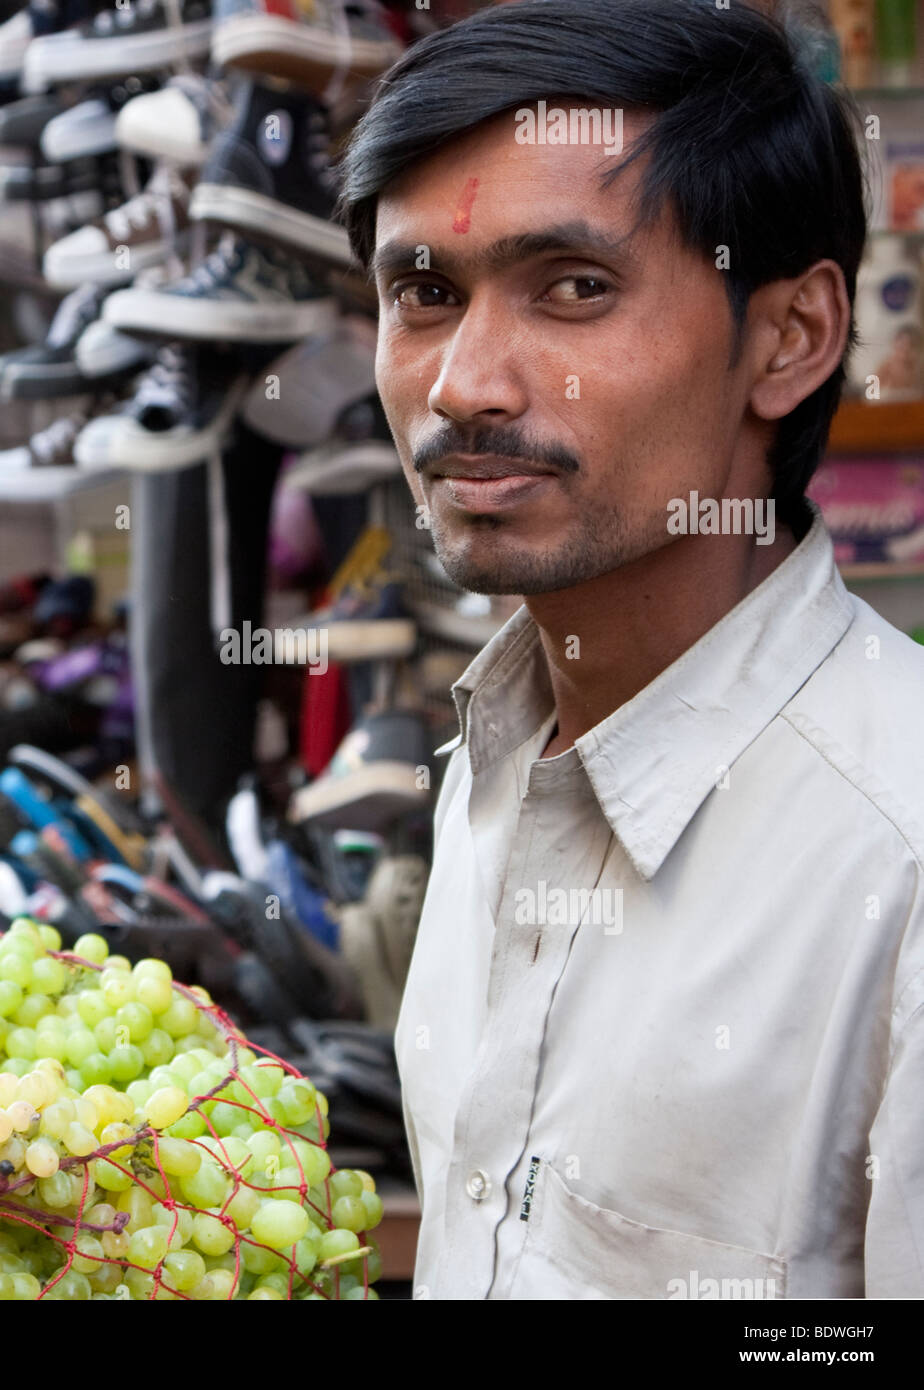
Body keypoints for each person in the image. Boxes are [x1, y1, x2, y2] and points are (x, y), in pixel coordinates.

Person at [337, 0, 924, 1298]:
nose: (467, 385)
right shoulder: (490, 766)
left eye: (575, 288)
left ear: (791, 339)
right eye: (424, 293)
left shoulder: (899, 853)